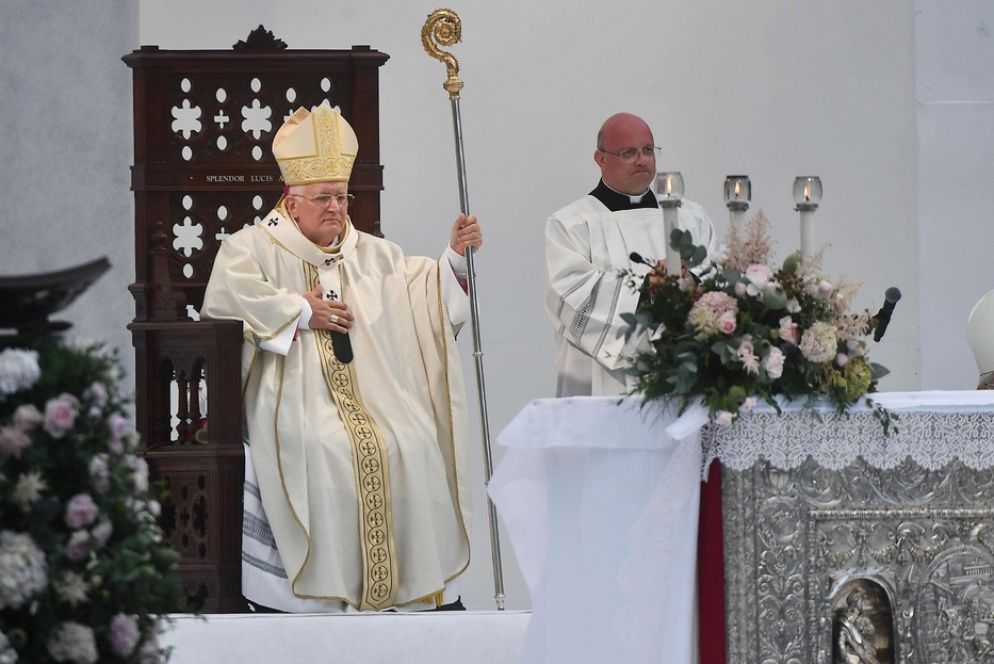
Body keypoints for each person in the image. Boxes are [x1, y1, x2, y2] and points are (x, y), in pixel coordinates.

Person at [202, 101, 481, 612]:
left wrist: (456, 260)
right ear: (292, 201)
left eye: (342, 196)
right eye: (324, 197)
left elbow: (426, 297)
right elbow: (226, 302)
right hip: (293, 397)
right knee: (325, 446)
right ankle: (325, 599)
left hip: (378, 399)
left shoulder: (375, 254)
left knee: (412, 440)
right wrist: (298, 310)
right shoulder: (250, 249)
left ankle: (406, 591)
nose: (336, 207)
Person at [544, 112, 717, 397]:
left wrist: (691, 279)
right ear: (601, 159)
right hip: (602, 381)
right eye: (628, 153)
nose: (642, 160)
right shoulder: (571, 223)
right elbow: (569, 295)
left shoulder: (691, 217)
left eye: (648, 150)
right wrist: (647, 288)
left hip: (685, 375)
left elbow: (718, 275)